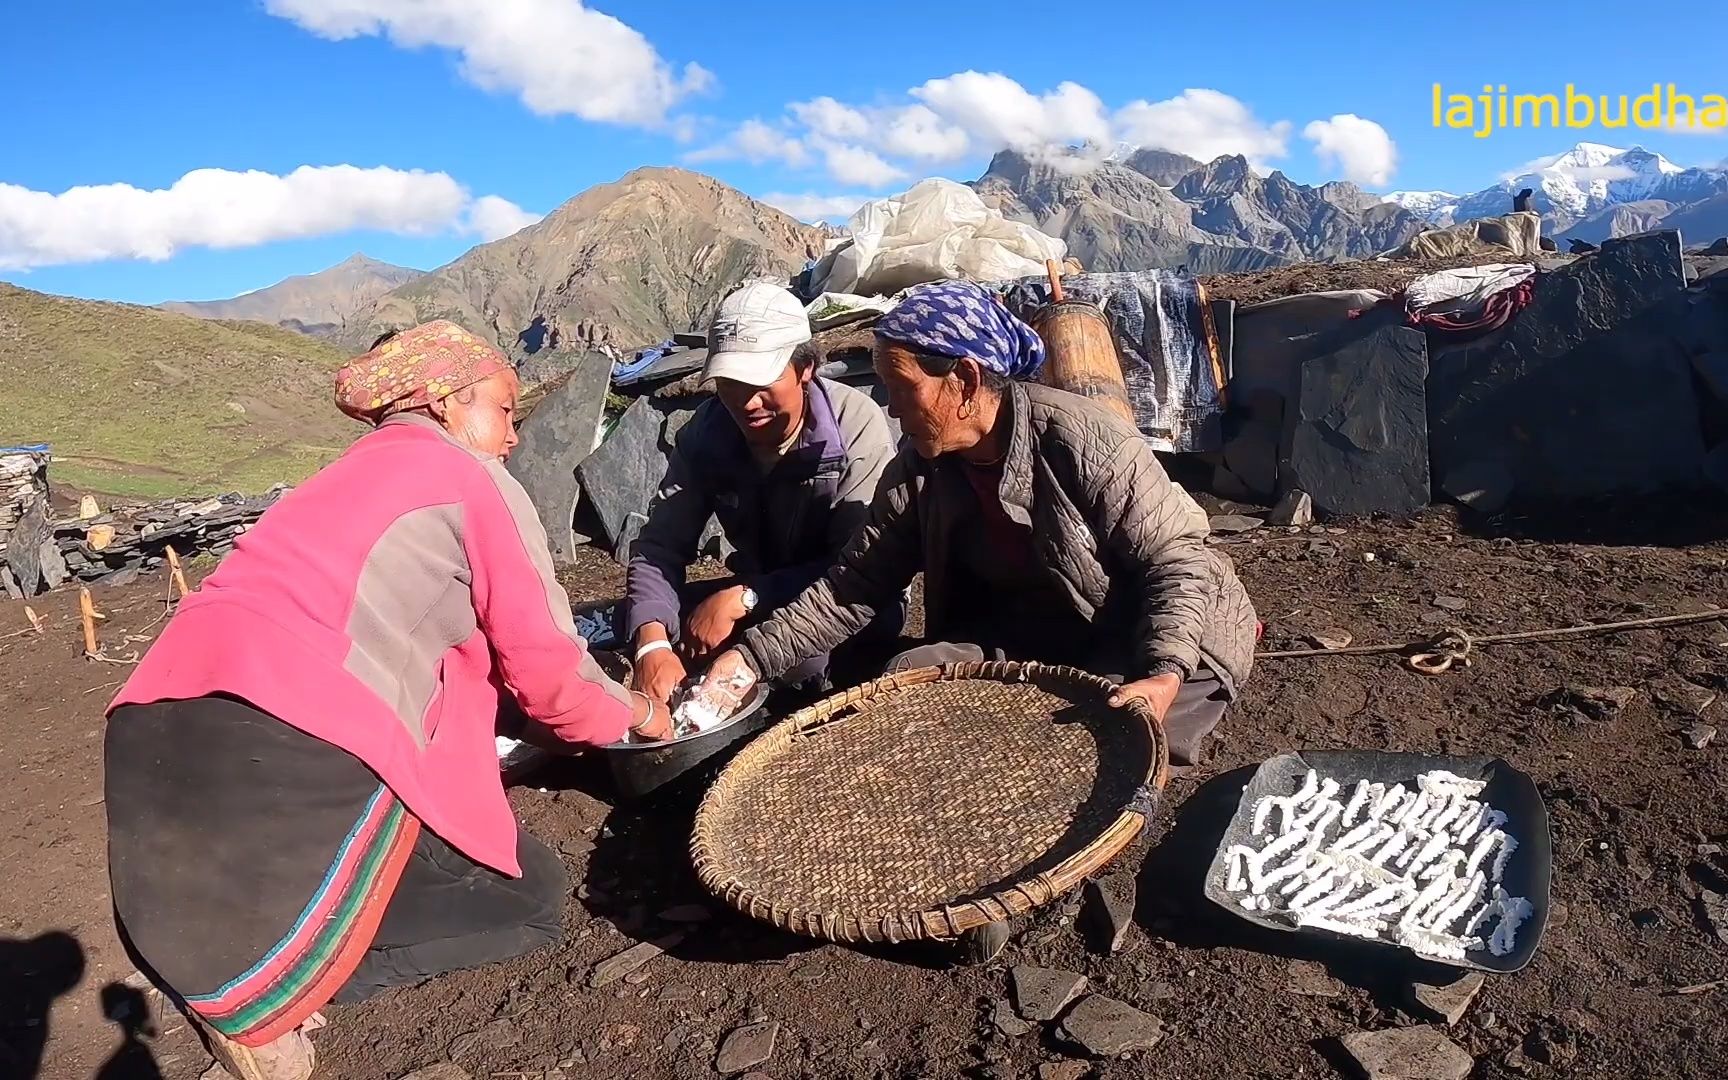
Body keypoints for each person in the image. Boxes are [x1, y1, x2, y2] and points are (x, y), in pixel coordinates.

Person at [102, 320, 672, 1080]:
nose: (511, 438)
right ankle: (280, 1008)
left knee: (223, 888)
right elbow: (550, 676)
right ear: (448, 404)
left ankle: (224, 980)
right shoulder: (471, 481)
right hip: (294, 732)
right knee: (531, 899)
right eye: (505, 412)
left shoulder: (333, 481)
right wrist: (638, 713)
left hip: (150, 718)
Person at [698, 280, 1259, 767]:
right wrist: (750, 660)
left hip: (1155, 633)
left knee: (1105, 741)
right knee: (903, 680)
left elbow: (1176, 562)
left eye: (902, 392)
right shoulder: (919, 469)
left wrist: (1163, 674)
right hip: (1035, 631)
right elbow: (854, 585)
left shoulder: (1083, 441)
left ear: (963, 380)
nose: (892, 411)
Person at [624, 281, 900, 713]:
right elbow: (660, 546)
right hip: (759, 592)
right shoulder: (705, 434)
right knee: (648, 622)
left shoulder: (854, 428)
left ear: (805, 368)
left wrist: (745, 597)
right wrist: (651, 644)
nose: (747, 401)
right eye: (731, 382)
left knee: (801, 662)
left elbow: (860, 569)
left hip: (847, 600)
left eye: (762, 380)